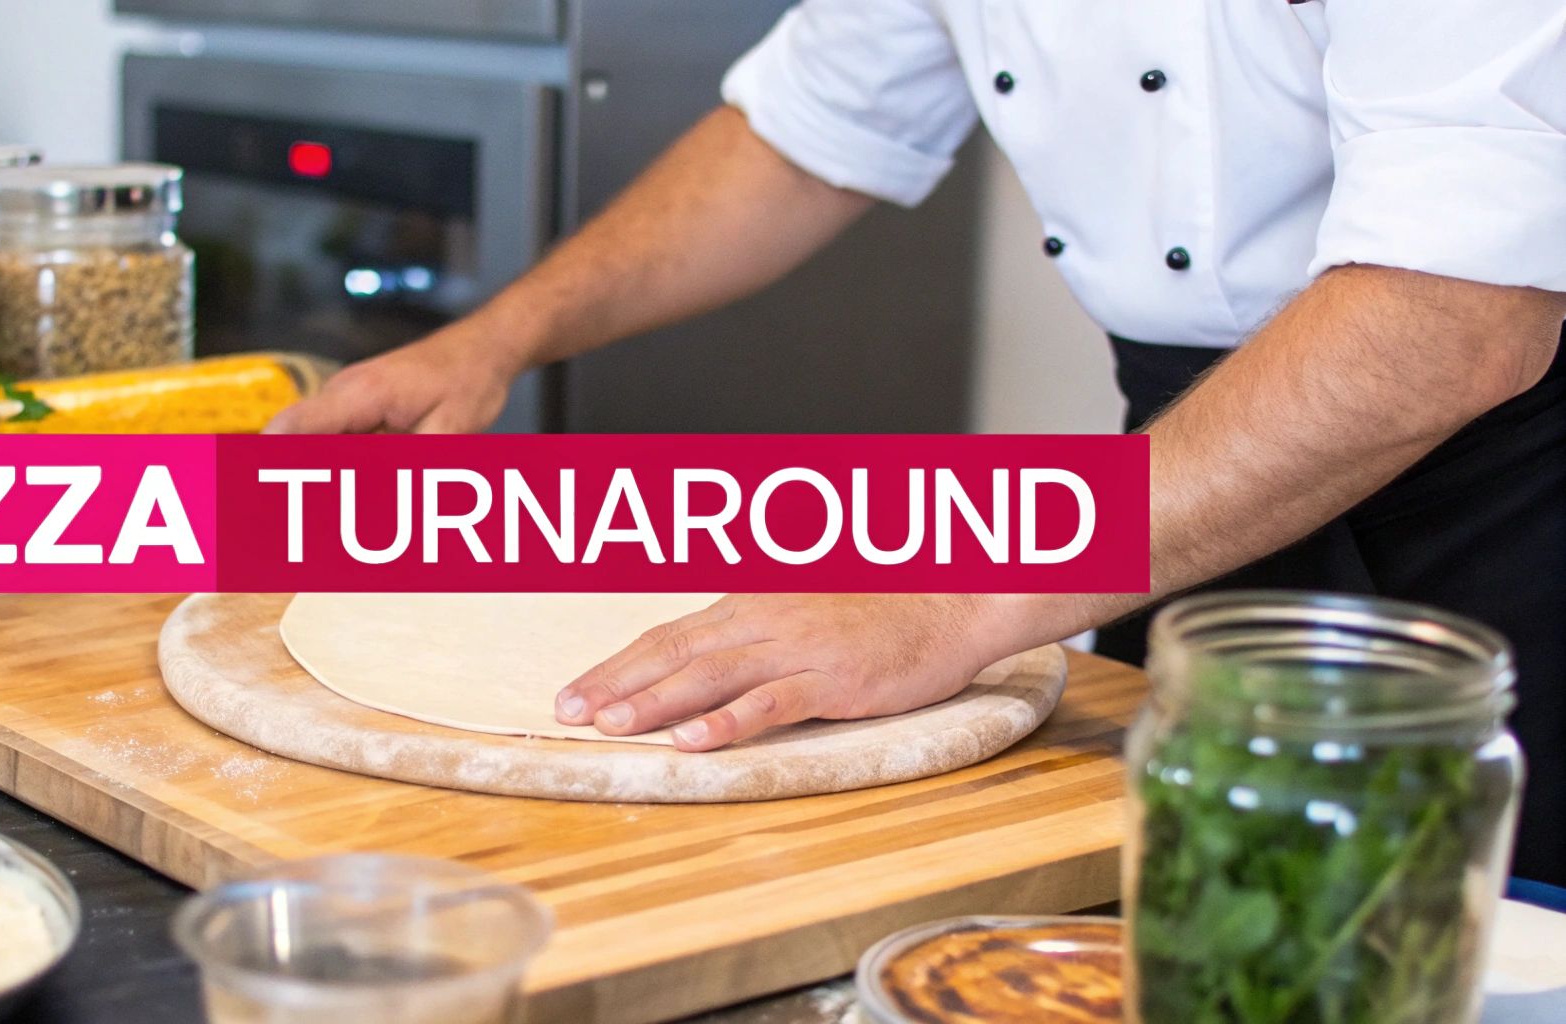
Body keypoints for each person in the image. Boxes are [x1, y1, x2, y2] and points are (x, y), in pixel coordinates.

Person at [269, 2, 1566, 884]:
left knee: (1470, 939)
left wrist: (950, 601)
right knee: (1185, 925)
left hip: (1518, 500)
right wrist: (490, 340)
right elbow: (803, 132)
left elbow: (1455, 318)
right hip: (1188, 470)